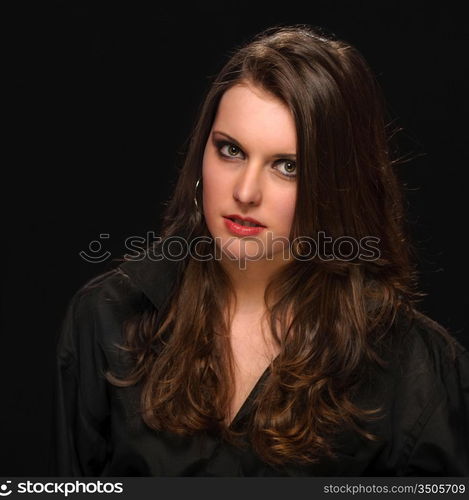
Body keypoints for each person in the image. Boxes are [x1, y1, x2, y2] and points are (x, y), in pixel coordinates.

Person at [50, 24, 469, 476]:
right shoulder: (106, 317)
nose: (245, 192)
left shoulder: (415, 367)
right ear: (201, 155)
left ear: (338, 185)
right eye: (230, 150)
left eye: (287, 166)